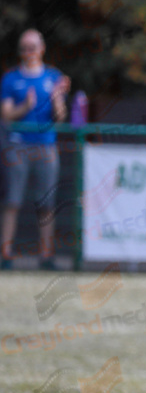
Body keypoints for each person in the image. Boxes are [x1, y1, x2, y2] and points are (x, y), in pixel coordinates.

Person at [1, 29, 69, 271]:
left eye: (32, 47)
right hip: (17, 145)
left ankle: (46, 256)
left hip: (46, 146)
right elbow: (6, 115)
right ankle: (6, 255)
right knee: (12, 201)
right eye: (24, 48)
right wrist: (25, 106)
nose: (28, 52)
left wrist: (57, 100)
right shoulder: (10, 79)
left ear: (42, 48)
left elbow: (60, 117)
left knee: (46, 204)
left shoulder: (53, 78)